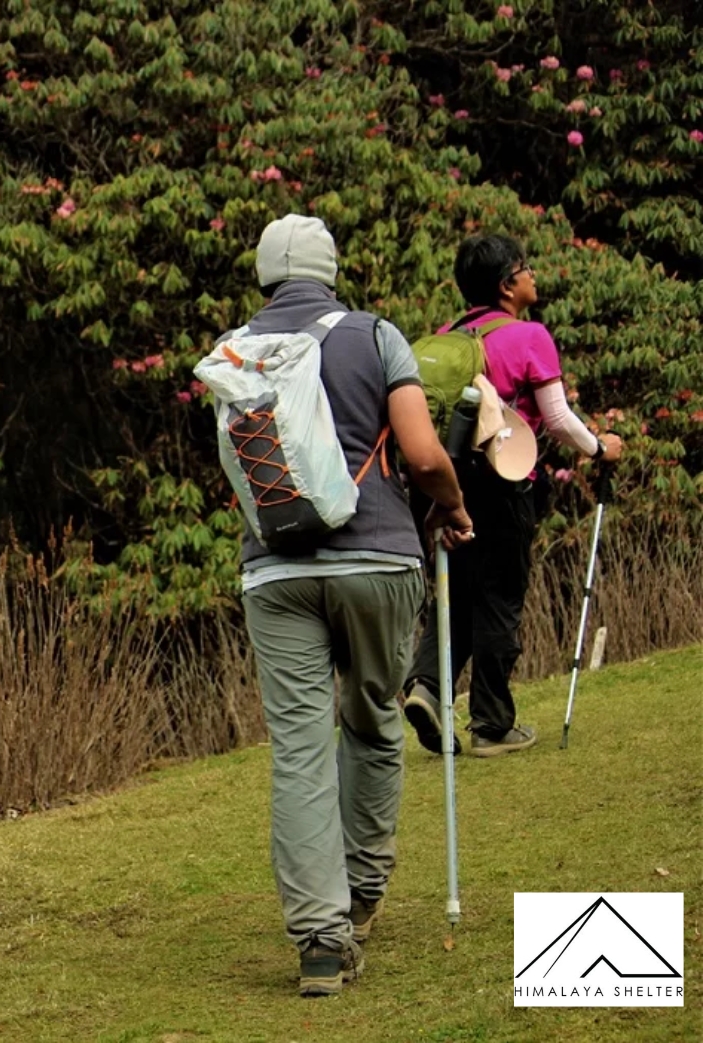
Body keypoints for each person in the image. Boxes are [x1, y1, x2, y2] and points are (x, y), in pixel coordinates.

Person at [234, 214, 473, 997]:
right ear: (332, 271)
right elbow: (422, 453)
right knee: (370, 722)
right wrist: (450, 505)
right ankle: (362, 893)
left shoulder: (236, 350)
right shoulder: (374, 335)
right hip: (376, 554)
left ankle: (319, 943)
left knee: (299, 753)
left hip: (274, 569)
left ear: (264, 275)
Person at [400, 234, 624, 759]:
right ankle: (492, 726)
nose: (532, 277)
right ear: (507, 285)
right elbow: (557, 419)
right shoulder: (528, 336)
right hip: (503, 481)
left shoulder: (445, 337)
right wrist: (600, 448)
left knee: (456, 593)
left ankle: (427, 687)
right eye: (525, 269)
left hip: (444, 483)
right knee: (500, 595)